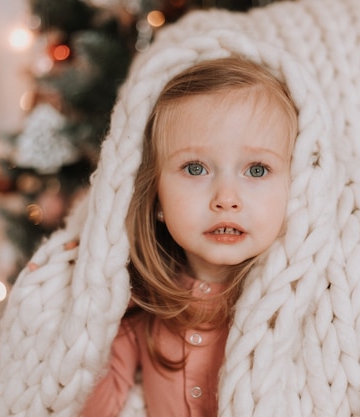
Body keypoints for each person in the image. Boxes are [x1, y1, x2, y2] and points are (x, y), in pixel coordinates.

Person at [80, 56, 298, 417]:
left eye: (257, 169)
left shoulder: (296, 306)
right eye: (195, 168)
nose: (226, 198)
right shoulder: (142, 307)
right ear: (156, 200)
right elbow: (94, 408)